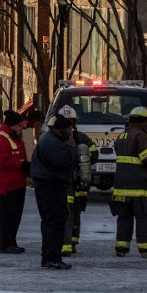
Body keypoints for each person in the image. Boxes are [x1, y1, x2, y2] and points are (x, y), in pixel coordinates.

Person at [110, 106, 147, 258]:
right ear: (140, 122)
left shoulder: (122, 136)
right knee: (143, 217)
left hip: (121, 187)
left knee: (124, 218)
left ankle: (121, 248)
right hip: (138, 187)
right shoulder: (140, 136)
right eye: (146, 122)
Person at [30, 114, 76, 270]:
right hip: (51, 187)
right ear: (60, 130)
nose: (71, 132)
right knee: (54, 222)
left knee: (51, 222)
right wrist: (71, 148)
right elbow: (63, 162)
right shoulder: (53, 144)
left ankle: (49, 257)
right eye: (69, 129)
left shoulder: (51, 140)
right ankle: (52, 257)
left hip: (48, 185)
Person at [58, 105, 98, 257]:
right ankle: (71, 242)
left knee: (72, 211)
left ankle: (69, 242)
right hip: (76, 181)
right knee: (73, 212)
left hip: (74, 181)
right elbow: (94, 156)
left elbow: (93, 155)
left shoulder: (79, 138)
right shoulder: (82, 138)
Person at [0, 110, 30, 254]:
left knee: (15, 216)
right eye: (20, 126)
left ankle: (11, 242)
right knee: (7, 217)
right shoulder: (2, 139)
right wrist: (23, 165)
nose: (21, 129)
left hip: (17, 183)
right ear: (13, 126)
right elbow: (3, 160)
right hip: (6, 185)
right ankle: (6, 244)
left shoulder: (15, 138)